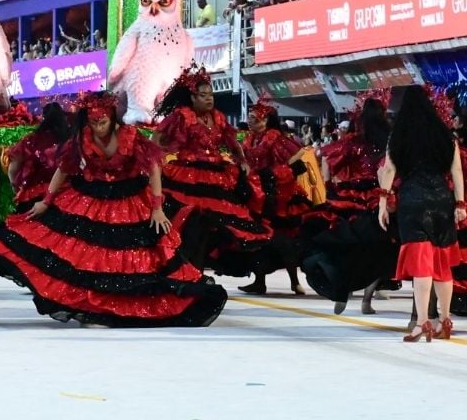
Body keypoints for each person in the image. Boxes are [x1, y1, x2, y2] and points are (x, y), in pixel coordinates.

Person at [0, 92, 226, 327]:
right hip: (89, 196)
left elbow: (153, 168)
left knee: (132, 261)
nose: (97, 126)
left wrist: (157, 208)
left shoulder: (131, 136)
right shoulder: (82, 137)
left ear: (112, 117)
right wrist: (46, 201)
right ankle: (92, 308)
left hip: (129, 200)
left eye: (101, 121)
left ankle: (117, 308)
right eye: (93, 122)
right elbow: (64, 168)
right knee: (85, 258)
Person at [153, 65, 268, 277]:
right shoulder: (182, 116)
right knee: (187, 221)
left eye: (210, 95)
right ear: (192, 98)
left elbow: (233, 142)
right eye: (203, 95)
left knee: (220, 224)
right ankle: (183, 267)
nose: (209, 99)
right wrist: (156, 160)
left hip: (216, 175)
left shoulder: (218, 117)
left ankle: (203, 265)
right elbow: (157, 139)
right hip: (188, 174)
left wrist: (241, 159)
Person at [380, 86, 465, 341]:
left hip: (413, 201)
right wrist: (460, 204)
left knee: (421, 264)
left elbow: (388, 171)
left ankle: (423, 322)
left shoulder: (398, 136)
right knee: (442, 262)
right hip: (442, 200)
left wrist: (383, 203)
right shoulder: (445, 135)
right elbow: (457, 171)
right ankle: (445, 319)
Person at [299, 95, 398, 314]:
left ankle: (342, 286)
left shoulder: (353, 141)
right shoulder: (390, 140)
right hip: (378, 196)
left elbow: (325, 156)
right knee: (381, 250)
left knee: (349, 247)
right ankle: (366, 300)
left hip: (350, 197)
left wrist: (328, 183)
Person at [238, 99, 316, 296]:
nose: (250, 121)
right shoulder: (249, 139)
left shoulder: (274, 137)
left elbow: (298, 153)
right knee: (259, 239)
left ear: (265, 121)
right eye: (250, 118)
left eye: (254, 119)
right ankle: (259, 281)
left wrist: (278, 172)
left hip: (277, 194)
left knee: (282, 238)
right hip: (255, 193)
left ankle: (294, 281)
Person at [4, 102, 69, 208]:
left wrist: (15, 188)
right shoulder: (70, 140)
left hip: (32, 194)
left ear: (43, 117)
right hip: (64, 193)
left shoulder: (30, 139)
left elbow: (13, 169)